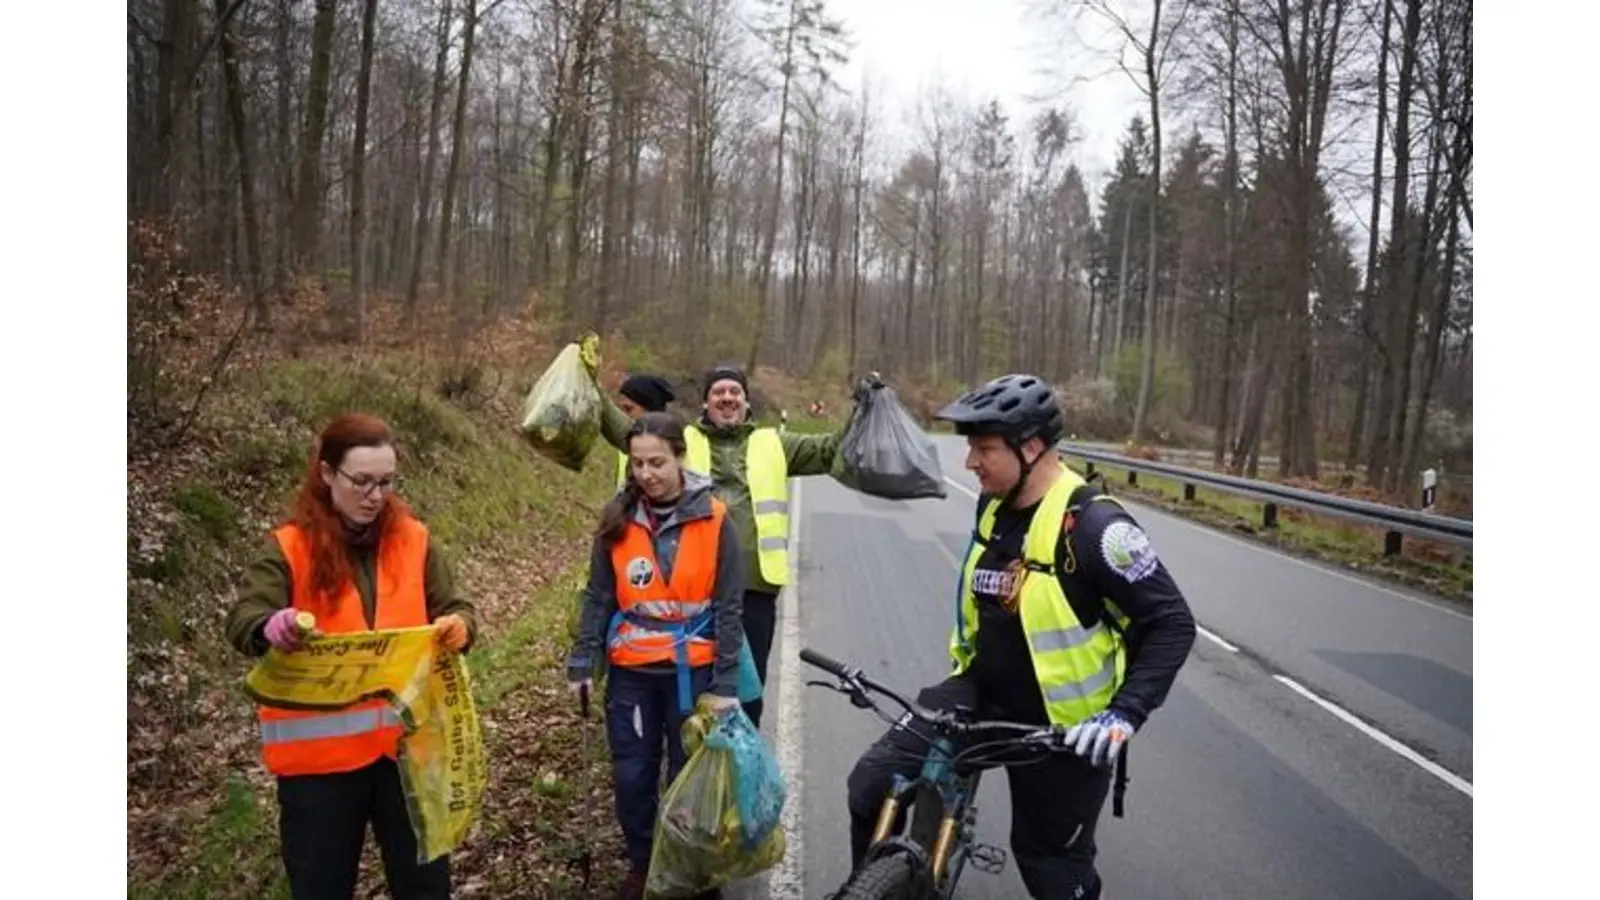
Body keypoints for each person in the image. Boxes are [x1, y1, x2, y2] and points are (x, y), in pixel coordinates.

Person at [841, 374, 1197, 900]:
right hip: (979, 695)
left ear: (1031, 447)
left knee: (1050, 866)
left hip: (1064, 727)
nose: (970, 462)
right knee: (871, 785)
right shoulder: (994, 503)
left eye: (983, 448)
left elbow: (1172, 624)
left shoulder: (1096, 529)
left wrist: (1124, 714)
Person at [224, 413, 479, 900]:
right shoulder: (289, 547)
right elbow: (243, 618)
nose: (375, 495)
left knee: (425, 886)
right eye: (361, 481)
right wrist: (268, 627)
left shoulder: (414, 540)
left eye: (386, 482)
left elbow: (455, 606)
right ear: (326, 474)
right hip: (318, 770)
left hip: (406, 755)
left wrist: (460, 627)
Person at [588, 358, 870, 728]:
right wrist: (589, 385)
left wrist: (863, 410)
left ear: (746, 401)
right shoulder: (683, 441)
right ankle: (696, 767)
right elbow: (627, 431)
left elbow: (832, 449)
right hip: (695, 591)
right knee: (698, 690)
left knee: (747, 692)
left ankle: (740, 766)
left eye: (734, 391)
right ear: (705, 403)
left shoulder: (774, 443)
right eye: (717, 392)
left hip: (755, 588)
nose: (726, 397)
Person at [565, 412, 747, 900]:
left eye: (657, 462)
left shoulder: (715, 518)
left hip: (696, 673)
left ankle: (689, 870)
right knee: (632, 775)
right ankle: (644, 866)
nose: (647, 474)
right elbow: (599, 597)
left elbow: (730, 607)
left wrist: (726, 686)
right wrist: (583, 661)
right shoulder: (617, 520)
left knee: (688, 781)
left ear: (680, 459)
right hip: (633, 675)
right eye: (638, 464)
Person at [613, 373, 677, 488]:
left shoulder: (673, 445)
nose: (622, 416)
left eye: (628, 409)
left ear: (650, 411)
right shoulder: (627, 445)